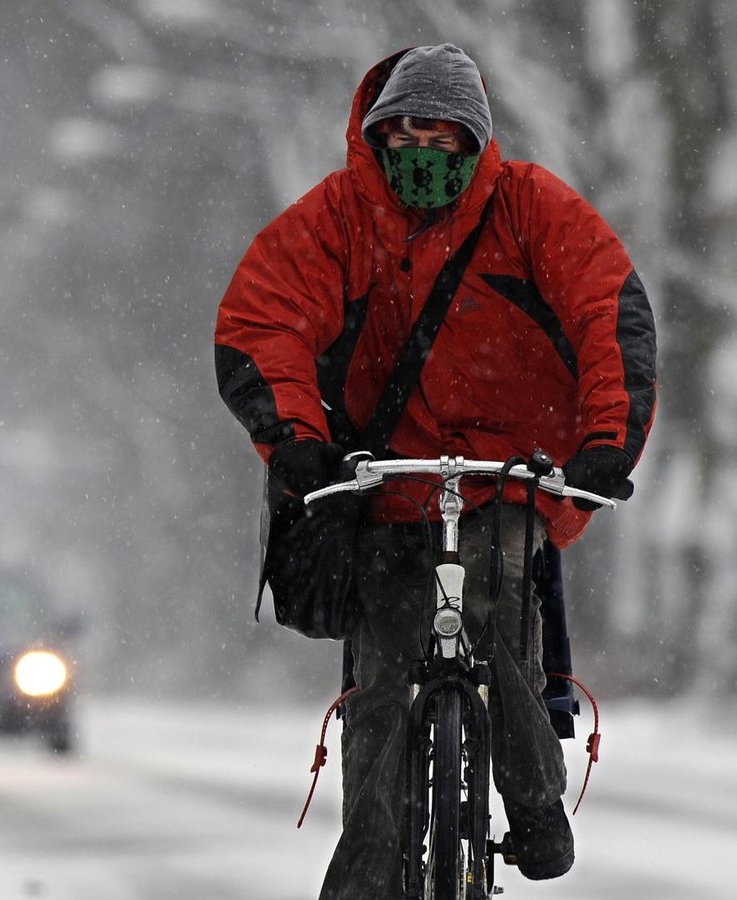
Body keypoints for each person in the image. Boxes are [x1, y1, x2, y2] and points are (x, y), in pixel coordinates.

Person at [213, 44, 657, 898]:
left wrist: (604, 444)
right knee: (378, 684)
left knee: (506, 625)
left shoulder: (531, 210)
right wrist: (301, 442)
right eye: (407, 127)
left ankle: (534, 803)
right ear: (377, 133)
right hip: (385, 483)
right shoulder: (338, 219)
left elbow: (611, 317)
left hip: (509, 478)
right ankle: (371, 870)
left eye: (445, 132)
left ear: (475, 140)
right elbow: (261, 322)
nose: (424, 147)